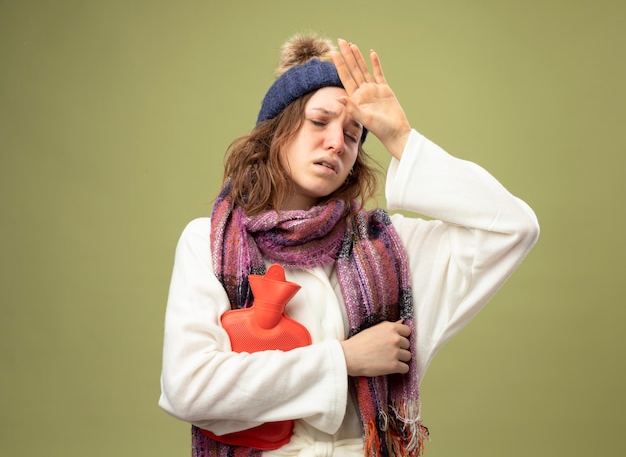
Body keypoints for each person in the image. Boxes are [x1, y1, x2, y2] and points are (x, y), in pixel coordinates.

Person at [159, 33, 539, 457]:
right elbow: (187, 387)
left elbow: (514, 228)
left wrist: (401, 139)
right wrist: (342, 359)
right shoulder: (210, 241)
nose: (337, 143)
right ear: (277, 130)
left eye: (354, 135)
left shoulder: (391, 249)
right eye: (319, 122)